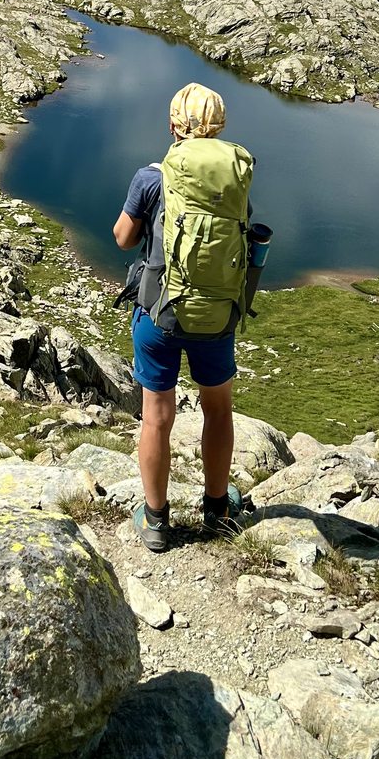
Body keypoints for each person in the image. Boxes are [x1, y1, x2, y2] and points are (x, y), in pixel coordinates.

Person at [113, 82, 249, 553]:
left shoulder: (150, 178)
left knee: (157, 416)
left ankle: (156, 520)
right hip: (216, 313)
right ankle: (216, 509)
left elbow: (123, 239)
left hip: (160, 313)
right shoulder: (233, 180)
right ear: (218, 126)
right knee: (218, 408)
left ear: (174, 125)